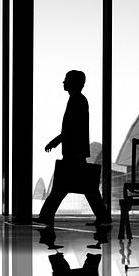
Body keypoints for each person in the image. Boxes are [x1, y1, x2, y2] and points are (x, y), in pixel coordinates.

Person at [34, 70, 110, 228]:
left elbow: (72, 127)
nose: (63, 82)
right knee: (81, 187)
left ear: (74, 83)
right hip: (76, 150)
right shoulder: (78, 100)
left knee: (63, 186)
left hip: (74, 151)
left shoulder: (77, 100)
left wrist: (56, 141)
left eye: (66, 80)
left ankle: (46, 216)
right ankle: (102, 217)